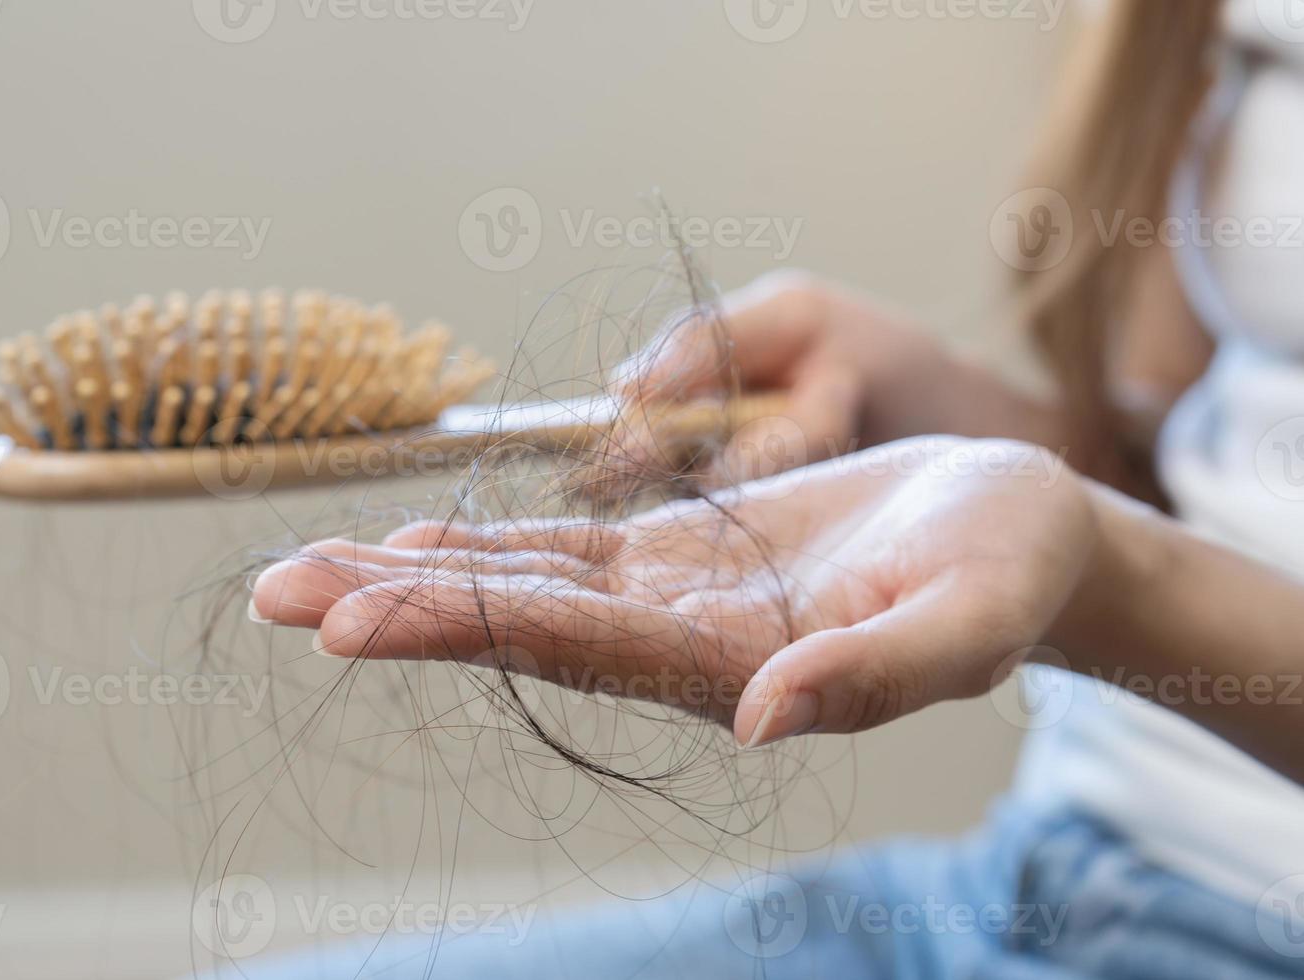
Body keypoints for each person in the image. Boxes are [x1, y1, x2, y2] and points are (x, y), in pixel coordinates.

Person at [240, 0, 1304, 975]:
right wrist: (937, 411)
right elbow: (1202, 473)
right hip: (1038, 878)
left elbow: (1124, 550)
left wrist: (1120, 584)